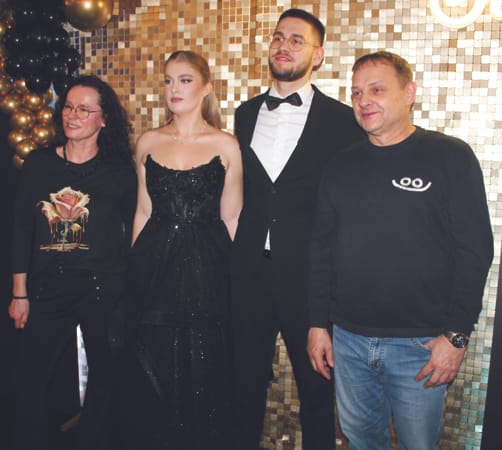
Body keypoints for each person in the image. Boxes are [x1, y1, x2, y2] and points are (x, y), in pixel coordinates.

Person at [307, 51, 494, 449]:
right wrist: (317, 323)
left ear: (409, 93)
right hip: (349, 342)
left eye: (376, 90)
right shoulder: (340, 166)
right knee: (360, 442)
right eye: (356, 92)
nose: (363, 101)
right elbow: (321, 250)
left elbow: (475, 251)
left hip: (420, 346)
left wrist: (456, 337)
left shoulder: (450, 156)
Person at [230, 8, 365, 450]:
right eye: (278, 37)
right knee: (243, 386)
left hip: (310, 280)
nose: (283, 46)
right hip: (249, 275)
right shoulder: (245, 114)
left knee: (317, 391)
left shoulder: (343, 121)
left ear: (318, 55)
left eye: (296, 40)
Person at [115, 50, 242, 450]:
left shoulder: (226, 145)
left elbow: (232, 218)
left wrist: (234, 283)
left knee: (204, 368)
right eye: (168, 80)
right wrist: (132, 277)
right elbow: (142, 211)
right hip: (153, 268)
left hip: (207, 271)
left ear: (206, 88)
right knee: (150, 361)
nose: (174, 88)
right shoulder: (148, 142)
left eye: (184, 80)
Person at [8, 74, 137, 450]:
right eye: (68, 107)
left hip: (102, 289)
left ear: (104, 119)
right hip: (47, 288)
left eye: (84, 109)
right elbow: (21, 228)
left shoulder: (119, 171)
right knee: (28, 380)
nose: (72, 115)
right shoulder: (39, 163)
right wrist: (19, 293)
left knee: (107, 380)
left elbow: (135, 227)